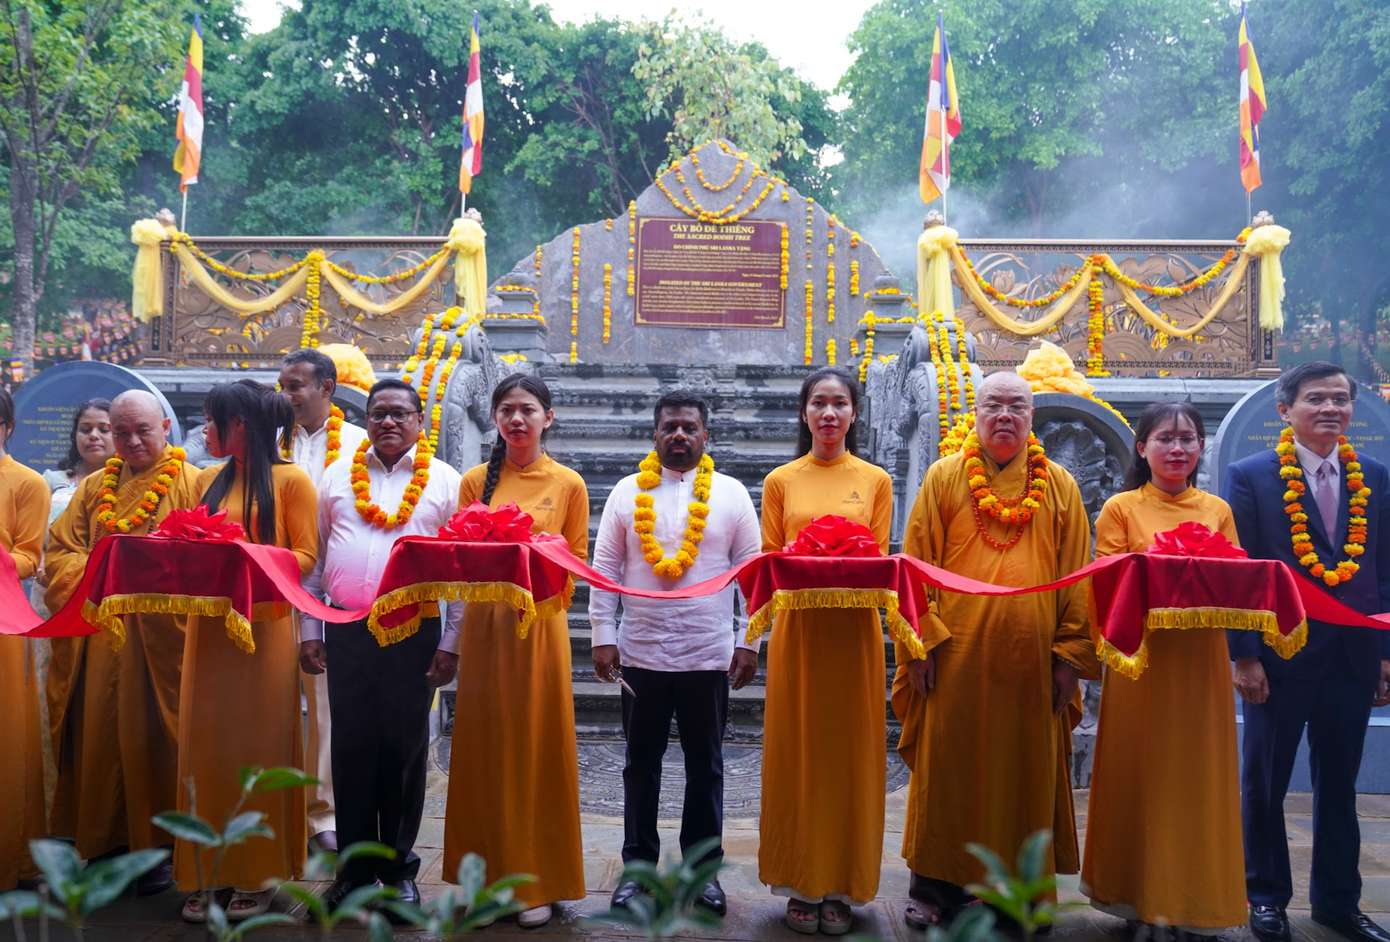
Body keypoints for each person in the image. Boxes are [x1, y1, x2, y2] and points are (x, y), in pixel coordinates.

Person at [894, 371, 1098, 929]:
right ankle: (937, 891)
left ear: (1033, 418)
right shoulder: (943, 478)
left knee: (1023, 778)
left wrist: (1067, 659)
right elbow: (914, 567)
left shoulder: (1059, 485)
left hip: (1032, 665)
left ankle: (1023, 895)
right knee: (949, 777)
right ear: (977, 414)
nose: (1004, 415)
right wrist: (919, 647)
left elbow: (1079, 576)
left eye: (1017, 406)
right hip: (954, 660)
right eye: (994, 405)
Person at [1223, 361, 1390, 942]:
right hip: (1277, 656)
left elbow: (1384, 571)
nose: (1330, 410)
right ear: (1285, 409)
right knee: (1265, 781)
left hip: (1353, 656)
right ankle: (1265, 897)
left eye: (1340, 400)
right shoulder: (1251, 476)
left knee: (1340, 783)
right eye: (1316, 399)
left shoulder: (1374, 474)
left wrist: (1385, 651)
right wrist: (1243, 655)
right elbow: (1241, 572)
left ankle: (1338, 903)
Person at [589, 389, 761, 918]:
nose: (680, 435)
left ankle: (702, 874)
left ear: (706, 435)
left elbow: (753, 573)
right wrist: (602, 633)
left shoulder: (731, 494)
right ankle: (637, 869)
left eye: (689, 427)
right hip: (640, 652)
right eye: (670, 427)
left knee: (706, 768)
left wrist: (748, 641)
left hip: (707, 654)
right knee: (640, 766)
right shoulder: (625, 492)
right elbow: (607, 565)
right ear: (655, 434)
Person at [1081, 401, 1245, 936]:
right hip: (1142, 663)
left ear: (1201, 448)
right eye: (1166, 439)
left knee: (1198, 777)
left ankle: (1195, 901)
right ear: (1142, 447)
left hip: (1201, 665)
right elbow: (1107, 580)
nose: (1177, 449)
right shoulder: (1121, 509)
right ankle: (1136, 897)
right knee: (1141, 773)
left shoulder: (1217, 509)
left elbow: (1238, 583)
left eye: (1188, 440)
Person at [299, 378, 461, 914]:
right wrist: (311, 629)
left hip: (414, 632)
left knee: (404, 751)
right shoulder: (335, 477)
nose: (388, 423)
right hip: (345, 628)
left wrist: (452, 642)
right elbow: (319, 562)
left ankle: (398, 869)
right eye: (378, 414)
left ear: (420, 421)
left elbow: (459, 572)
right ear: (366, 420)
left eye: (400, 414)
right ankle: (353, 868)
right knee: (349, 751)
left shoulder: (443, 481)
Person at [758, 366, 906, 935]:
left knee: (850, 757)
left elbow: (879, 566)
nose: (828, 413)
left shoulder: (874, 481)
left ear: (853, 414)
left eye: (839, 403)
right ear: (804, 413)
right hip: (799, 635)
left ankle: (842, 882)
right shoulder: (781, 481)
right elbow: (770, 564)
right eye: (818, 403)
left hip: (854, 637)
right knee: (799, 753)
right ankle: (800, 881)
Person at [443, 373, 589, 929]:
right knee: (483, 750)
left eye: (528, 409)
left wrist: (532, 549)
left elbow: (576, 564)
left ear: (548, 417)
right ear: (495, 419)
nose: (517, 420)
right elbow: (458, 559)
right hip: (485, 633)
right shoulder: (475, 481)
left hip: (538, 631)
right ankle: (485, 880)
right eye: (507, 410)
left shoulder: (568, 484)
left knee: (533, 750)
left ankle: (533, 880)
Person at [44, 390, 202, 892]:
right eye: (121, 432)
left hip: (161, 641)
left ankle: (160, 849)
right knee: (97, 737)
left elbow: (209, 555)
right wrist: (98, 572)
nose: (131, 442)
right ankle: (104, 843)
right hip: (100, 635)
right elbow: (61, 552)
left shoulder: (194, 483)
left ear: (166, 427)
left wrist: (145, 573)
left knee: (155, 742)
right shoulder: (96, 486)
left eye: (142, 431)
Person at [177, 380, 318, 922]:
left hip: (264, 630)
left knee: (257, 748)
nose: (206, 430)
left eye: (213, 420)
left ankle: (258, 870)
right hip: (208, 630)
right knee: (205, 749)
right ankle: (204, 869)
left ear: (240, 425)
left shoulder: (290, 481)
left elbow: (305, 556)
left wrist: (244, 558)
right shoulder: (208, 480)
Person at [279, 349, 369, 857]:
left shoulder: (358, 445)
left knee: (327, 705)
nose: (287, 396)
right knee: (274, 700)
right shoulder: (272, 442)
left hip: (325, 592)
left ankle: (324, 812)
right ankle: (278, 803)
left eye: (297, 386)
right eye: (283, 386)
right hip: (274, 586)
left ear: (327, 390)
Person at [0, 388, 49, 890]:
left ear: (8, 427)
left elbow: (31, 558)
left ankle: (10, 854)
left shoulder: (26, 483)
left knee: (5, 736)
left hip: (3, 623)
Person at [32, 399, 114, 613]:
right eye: (85, 429)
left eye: (104, 429)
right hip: (49, 590)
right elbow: (32, 536)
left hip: (106, 597)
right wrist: (43, 571)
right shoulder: (51, 481)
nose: (93, 435)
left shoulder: (131, 485)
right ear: (75, 436)